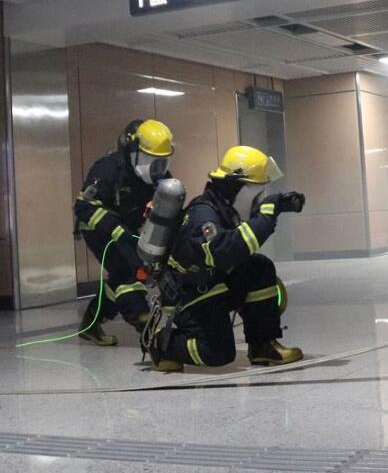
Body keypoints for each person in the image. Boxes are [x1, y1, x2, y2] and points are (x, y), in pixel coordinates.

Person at [147, 145, 305, 371]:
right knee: (218, 352)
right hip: (189, 294)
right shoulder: (204, 216)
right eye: (256, 192)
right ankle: (162, 345)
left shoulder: (224, 207)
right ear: (238, 188)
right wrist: (266, 216)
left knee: (259, 267)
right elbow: (226, 250)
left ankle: (262, 346)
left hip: (213, 281)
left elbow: (239, 242)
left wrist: (278, 205)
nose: (259, 198)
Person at [74, 119, 174, 346]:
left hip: (128, 230)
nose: (158, 168)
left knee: (123, 275)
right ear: (133, 152)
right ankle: (143, 321)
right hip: (99, 228)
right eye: (152, 160)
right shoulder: (106, 170)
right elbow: (83, 207)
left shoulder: (161, 177)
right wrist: (114, 228)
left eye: (163, 161)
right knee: (128, 270)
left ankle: (90, 324)